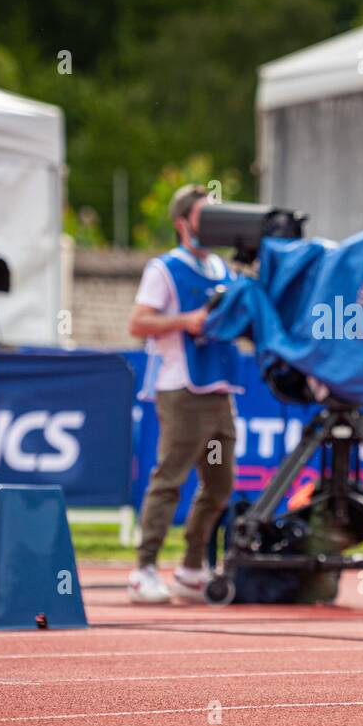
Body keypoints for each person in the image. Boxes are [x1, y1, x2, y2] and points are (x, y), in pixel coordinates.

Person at [126, 184, 241, 603]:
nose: (213, 225)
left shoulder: (224, 270)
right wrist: (186, 320)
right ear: (182, 223)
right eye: (204, 216)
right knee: (169, 479)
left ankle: (192, 568)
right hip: (181, 390)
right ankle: (144, 569)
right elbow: (138, 323)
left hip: (219, 390)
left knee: (219, 484)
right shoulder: (164, 269)